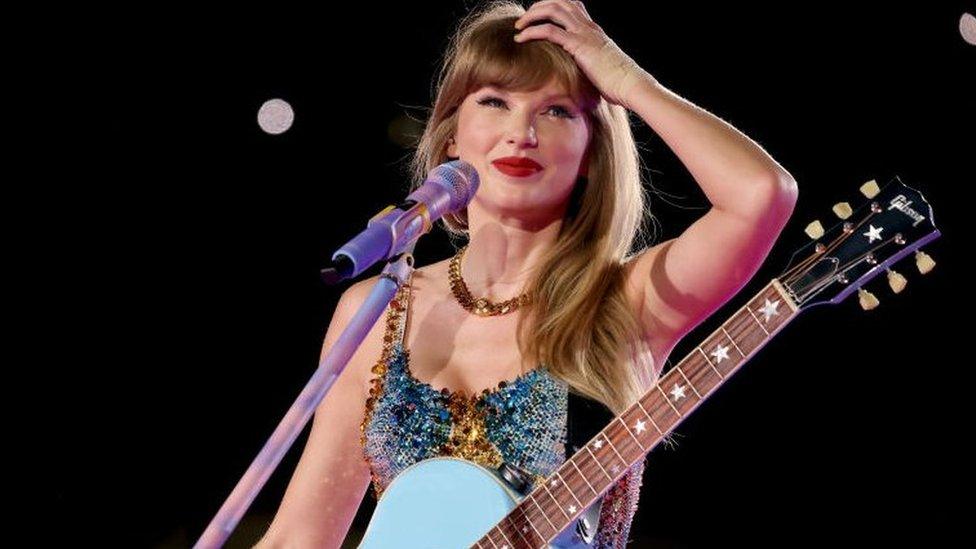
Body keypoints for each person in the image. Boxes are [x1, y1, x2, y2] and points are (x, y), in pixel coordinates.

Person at [255, 0, 798, 547]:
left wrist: (626, 80)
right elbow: (300, 535)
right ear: (451, 136)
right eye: (495, 101)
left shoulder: (629, 299)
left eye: (557, 111)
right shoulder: (381, 308)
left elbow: (760, 196)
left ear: (591, 150)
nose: (522, 133)